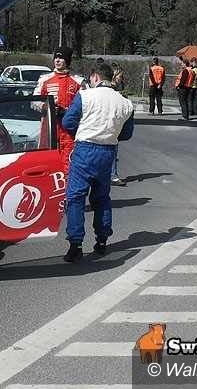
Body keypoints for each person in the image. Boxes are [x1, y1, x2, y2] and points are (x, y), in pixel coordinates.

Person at [62, 63, 134, 262]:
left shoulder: (85, 96)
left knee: (76, 197)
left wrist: (82, 131)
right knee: (102, 198)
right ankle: (102, 241)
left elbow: (67, 122)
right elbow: (126, 134)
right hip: (108, 152)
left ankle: (75, 244)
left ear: (95, 77)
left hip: (85, 150)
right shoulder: (126, 103)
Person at [33, 46, 85, 173]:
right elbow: (34, 101)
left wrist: (69, 112)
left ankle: (67, 185)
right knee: (47, 164)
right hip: (49, 128)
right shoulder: (44, 79)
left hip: (70, 130)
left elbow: (86, 105)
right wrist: (47, 107)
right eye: (56, 57)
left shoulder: (78, 81)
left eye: (61, 58)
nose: (57, 60)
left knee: (69, 164)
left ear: (67, 60)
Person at [110, 62, 127, 186]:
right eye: (120, 76)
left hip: (115, 123)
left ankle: (112, 174)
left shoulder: (118, 88)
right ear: (114, 76)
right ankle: (112, 175)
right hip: (109, 123)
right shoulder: (110, 89)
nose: (122, 79)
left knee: (113, 150)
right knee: (112, 150)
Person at [175, 56, 193, 120]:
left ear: (185, 64)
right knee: (185, 102)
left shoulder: (185, 70)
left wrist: (179, 86)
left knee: (183, 102)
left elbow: (183, 80)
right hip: (188, 87)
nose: (181, 64)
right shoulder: (191, 70)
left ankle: (184, 116)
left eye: (182, 63)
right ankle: (186, 115)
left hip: (183, 88)